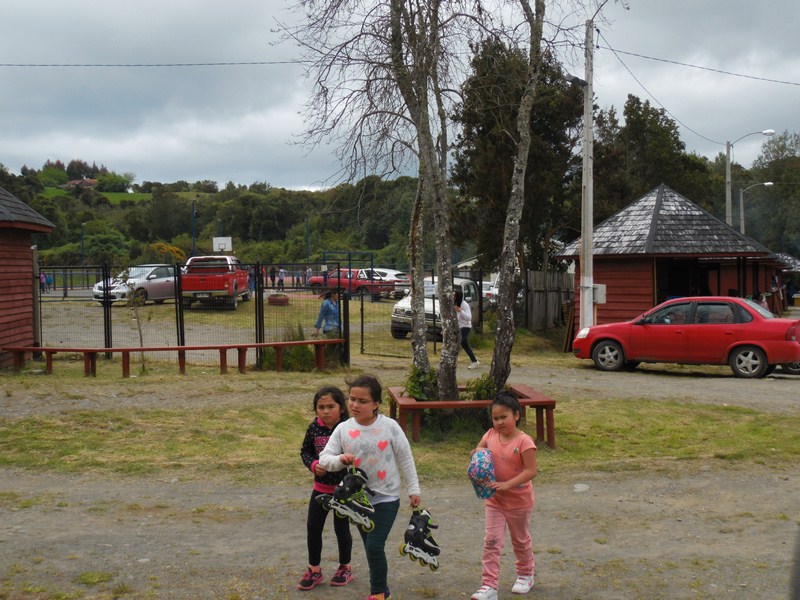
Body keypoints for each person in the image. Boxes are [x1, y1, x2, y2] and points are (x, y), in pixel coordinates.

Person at [319, 374, 421, 600]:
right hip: (357, 502)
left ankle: (378, 594)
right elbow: (324, 458)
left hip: (387, 498)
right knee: (370, 547)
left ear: (376, 403)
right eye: (352, 399)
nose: (355, 405)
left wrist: (413, 489)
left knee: (374, 546)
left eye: (362, 401)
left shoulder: (390, 427)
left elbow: (405, 457)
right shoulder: (343, 429)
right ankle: (383, 589)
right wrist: (340, 460)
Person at [470, 391, 538, 600]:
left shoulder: (524, 441)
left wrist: (507, 484)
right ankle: (489, 586)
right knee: (491, 541)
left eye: (503, 417)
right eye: (495, 418)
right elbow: (480, 448)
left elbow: (531, 470)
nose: (499, 422)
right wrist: (476, 454)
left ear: (516, 415)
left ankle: (526, 574)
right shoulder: (490, 435)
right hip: (495, 500)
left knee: (520, 540)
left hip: (519, 502)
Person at [297, 386, 354, 590]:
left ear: (342, 408)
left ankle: (345, 567)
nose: (326, 411)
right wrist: (313, 465)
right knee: (313, 528)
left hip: (343, 492)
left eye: (331, 406)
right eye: (321, 407)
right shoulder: (314, 428)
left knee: (342, 529)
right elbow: (305, 451)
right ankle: (314, 570)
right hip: (320, 489)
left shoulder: (349, 429)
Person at [454, 288, 479, 369]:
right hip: (459, 327)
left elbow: (469, 318)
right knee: (465, 345)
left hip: (466, 327)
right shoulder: (454, 304)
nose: (452, 297)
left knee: (458, 342)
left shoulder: (465, 305)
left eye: (454, 296)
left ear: (458, 296)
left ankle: (453, 360)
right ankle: (474, 361)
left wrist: (460, 311)